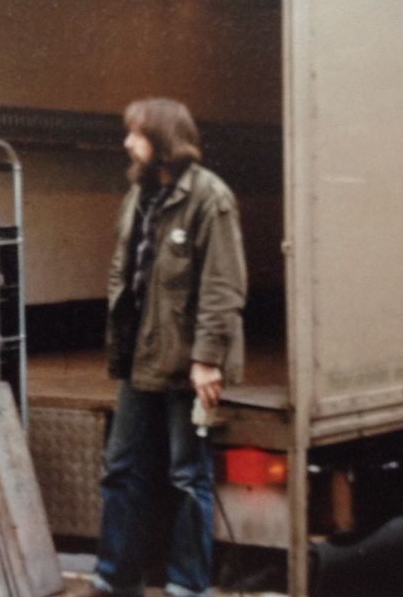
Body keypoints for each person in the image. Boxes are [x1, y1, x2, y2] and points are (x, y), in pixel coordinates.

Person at [75, 97, 247, 597]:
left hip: (185, 363)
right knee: (120, 468)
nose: (127, 143)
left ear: (164, 141)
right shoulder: (139, 195)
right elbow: (122, 270)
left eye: (137, 134)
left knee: (187, 475)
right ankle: (114, 578)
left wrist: (206, 359)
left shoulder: (210, 198)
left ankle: (186, 585)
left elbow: (223, 286)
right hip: (139, 358)